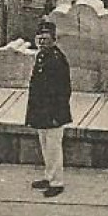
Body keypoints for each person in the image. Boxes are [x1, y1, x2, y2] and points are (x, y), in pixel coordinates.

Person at [25, 19, 71, 199]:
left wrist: (56, 114)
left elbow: (64, 90)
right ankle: (49, 176)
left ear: (54, 39)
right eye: (40, 39)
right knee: (44, 144)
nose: (42, 42)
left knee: (53, 147)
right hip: (41, 111)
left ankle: (57, 182)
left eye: (45, 38)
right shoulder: (42, 56)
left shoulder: (57, 60)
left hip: (54, 113)